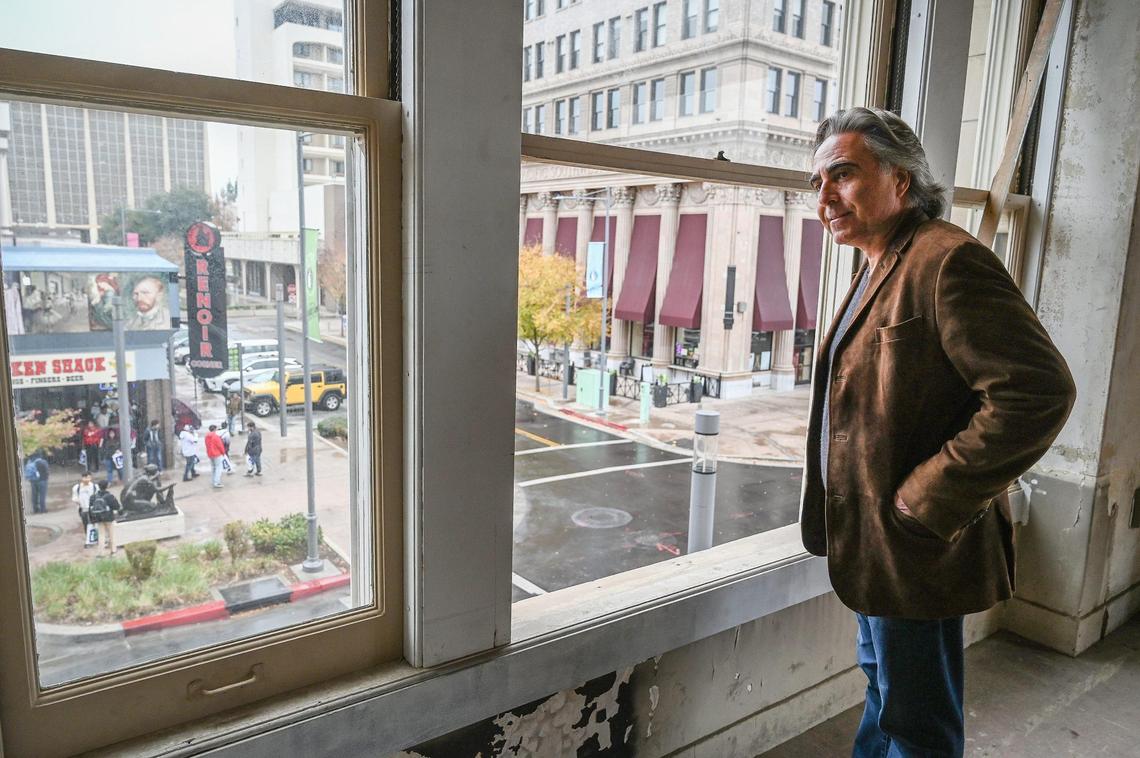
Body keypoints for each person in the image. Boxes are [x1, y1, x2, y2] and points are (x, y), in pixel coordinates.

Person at [800, 107, 1076, 756]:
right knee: (887, 692)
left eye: (843, 175)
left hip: (912, 541)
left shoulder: (948, 262)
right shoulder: (877, 261)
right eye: (816, 183)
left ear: (901, 181)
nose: (825, 197)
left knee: (918, 722)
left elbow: (1037, 393)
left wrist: (922, 502)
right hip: (873, 539)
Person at [71, 472, 97, 547]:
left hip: (93, 509)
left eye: (88, 477)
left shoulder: (94, 486)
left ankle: (94, 538)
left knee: (94, 524)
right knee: (86, 524)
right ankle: (89, 539)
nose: (86, 479)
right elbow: (74, 497)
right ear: (82, 478)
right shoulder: (77, 487)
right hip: (83, 509)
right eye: (85, 478)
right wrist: (78, 501)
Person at [23, 450, 49, 514]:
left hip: (33, 481)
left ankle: (35, 509)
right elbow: (47, 471)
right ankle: (42, 509)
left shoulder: (30, 463)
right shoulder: (43, 462)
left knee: (34, 495)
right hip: (42, 481)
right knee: (42, 495)